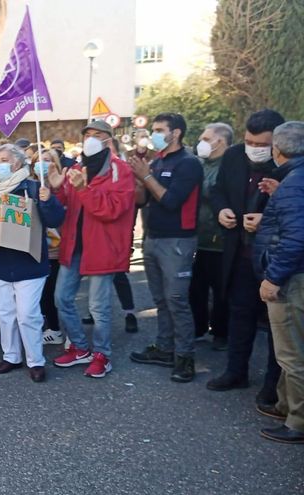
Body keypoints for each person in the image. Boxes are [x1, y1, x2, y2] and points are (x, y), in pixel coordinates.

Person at [0, 144, 65, 382]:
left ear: (17, 163)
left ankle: (36, 361)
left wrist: (48, 201)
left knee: (27, 315)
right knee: (5, 313)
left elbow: (55, 219)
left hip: (30, 265)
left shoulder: (34, 188)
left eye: (4, 160)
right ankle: (12, 356)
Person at [207, 110, 285, 400]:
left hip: (275, 260)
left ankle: (273, 386)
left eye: (261, 144)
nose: (254, 148)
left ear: (277, 142)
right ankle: (236, 371)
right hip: (240, 252)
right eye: (249, 141)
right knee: (240, 314)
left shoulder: (290, 162)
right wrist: (222, 210)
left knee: (277, 324)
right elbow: (218, 191)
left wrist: (268, 220)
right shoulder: (234, 156)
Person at [49, 120, 136, 379]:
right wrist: (56, 187)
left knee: (98, 307)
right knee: (62, 298)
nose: (91, 139)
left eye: (98, 134)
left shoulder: (121, 171)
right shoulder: (77, 168)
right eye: (88, 134)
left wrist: (82, 189)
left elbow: (111, 210)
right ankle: (79, 347)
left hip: (102, 248)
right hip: (74, 245)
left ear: (109, 139)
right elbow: (65, 204)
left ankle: (102, 354)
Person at [129, 113, 204, 383]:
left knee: (176, 300)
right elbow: (142, 200)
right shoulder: (158, 161)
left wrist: (146, 175)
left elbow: (171, 200)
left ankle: (185, 357)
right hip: (153, 237)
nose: (155, 134)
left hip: (178, 240)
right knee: (161, 299)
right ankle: (164, 348)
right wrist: (138, 180)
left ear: (177, 133)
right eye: (154, 129)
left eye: (160, 129)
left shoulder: (189, 163)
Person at [254, 121, 304, 444]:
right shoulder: (293, 181)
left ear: (278, 149)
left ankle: (298, 421)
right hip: (294, 274)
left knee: (291, 353)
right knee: (291, 350)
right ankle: (286, 406)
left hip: (291, 279)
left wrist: (273, 277)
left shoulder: (294, 184)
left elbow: (295, 238)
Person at [190, 123, 233, 350]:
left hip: (220, 238)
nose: (201, 143)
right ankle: (198, 327)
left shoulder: (230, 167)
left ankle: (220, 332)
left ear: (221, 142)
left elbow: (211, 192)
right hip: (197, 237)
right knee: (196, 287)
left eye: (206, 139)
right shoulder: (199, 163)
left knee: (220, 289)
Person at [32, 150, 63, 345]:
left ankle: (59, 330)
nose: (41, 164)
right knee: (43, 294)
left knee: (57, 294)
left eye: (47, 160)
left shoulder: (62, 187)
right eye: (38, 161)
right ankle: (50, 326)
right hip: (38, 249)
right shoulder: (30, 188)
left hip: (58, 251)